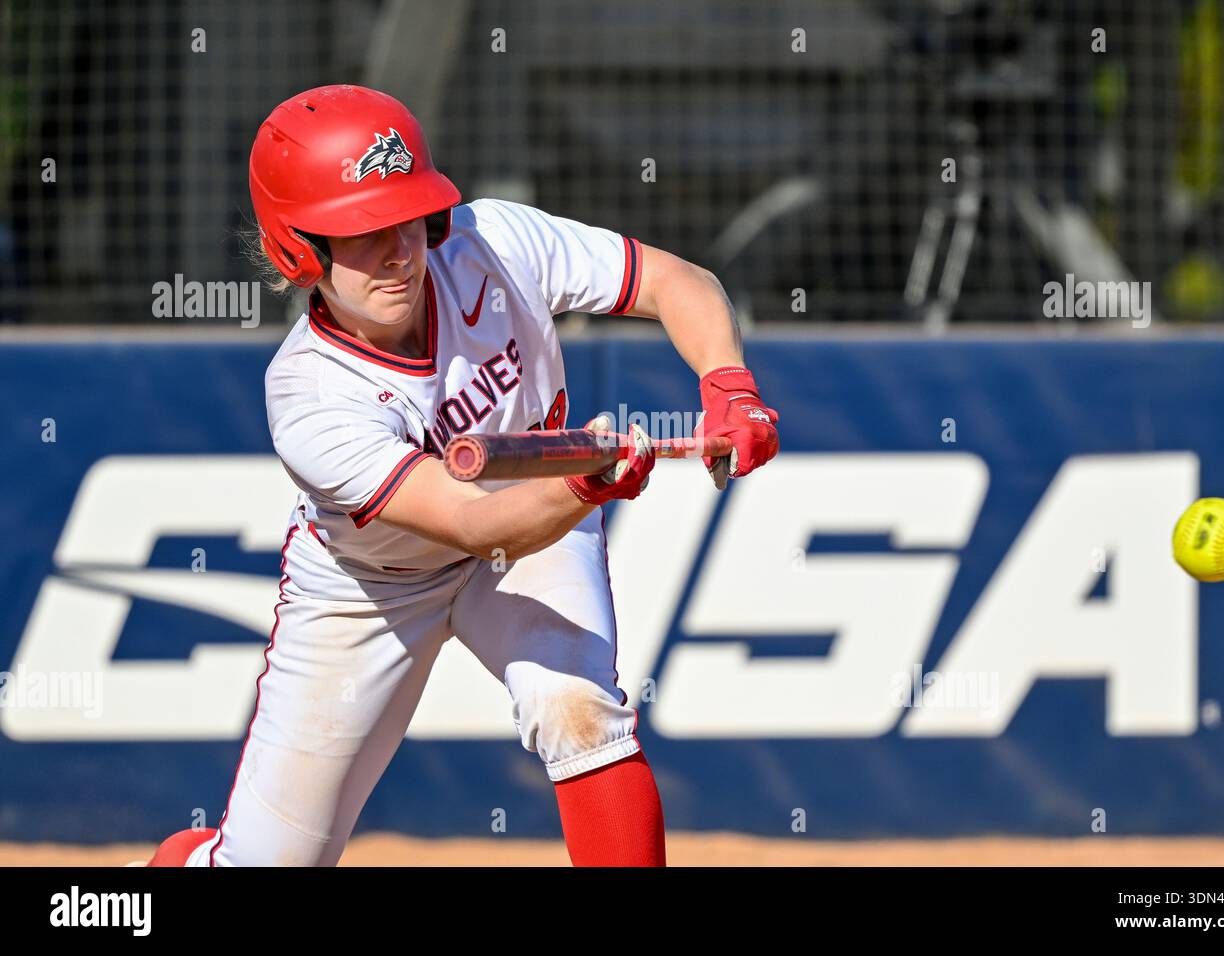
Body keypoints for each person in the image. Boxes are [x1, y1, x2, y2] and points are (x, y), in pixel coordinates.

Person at [145, 84, 779, 867]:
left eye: (408, 216)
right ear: (296, 251)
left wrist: (728, 384)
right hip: (370, 587)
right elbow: (470, 521)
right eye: (362, 232)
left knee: (578, 710)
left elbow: (673, 281)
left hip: (537, 531)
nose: (400, 250)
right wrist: (585, 483)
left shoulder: (491, 242)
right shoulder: (308, 393)